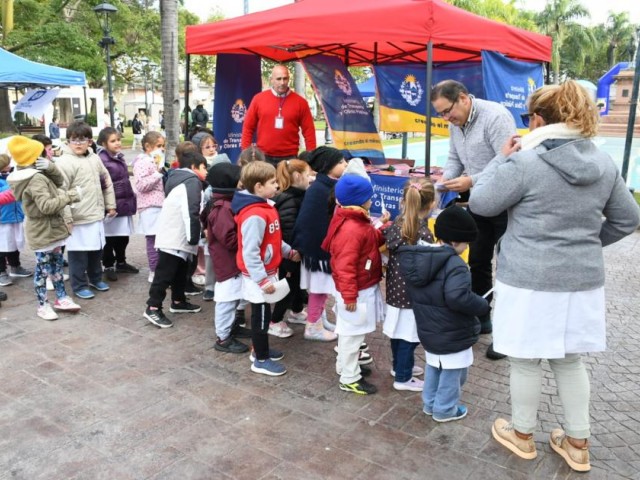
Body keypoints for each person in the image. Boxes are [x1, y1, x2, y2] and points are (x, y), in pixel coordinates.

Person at [469, 81, 640, 471]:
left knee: (526, 359)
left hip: (528, 277)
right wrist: (584, 244)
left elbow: (481, 202)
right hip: (581, 279)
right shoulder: (603, 162)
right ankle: (578, 442)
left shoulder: (526, 162)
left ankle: (523, 433)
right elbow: (629, 219)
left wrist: (500, 158)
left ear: (539, 119)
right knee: (568, 360)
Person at [431, 79, 516, 360]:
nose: (446, 119)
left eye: (447, 111)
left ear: (464, 98)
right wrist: (444, 180)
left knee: (508, 267)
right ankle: (483, 317)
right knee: (478, 260)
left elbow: (510, 161)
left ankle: (506, 334)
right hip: (479, 202)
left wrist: (472, 179)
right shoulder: (456, 124)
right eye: (441, 114)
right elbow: (454, 158)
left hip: (507, 202)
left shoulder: (496, 117)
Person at [398, 205, 488, 421]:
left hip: (429, 329)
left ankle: (430, 404)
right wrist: (482, 305)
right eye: (466, 243)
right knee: (453, 372)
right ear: (456, 242)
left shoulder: (423, 259)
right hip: (452, 330)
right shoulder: (455, 265)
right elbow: (458, 297)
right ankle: (445, 409)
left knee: (434, 367)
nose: (467, 247)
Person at [231, 161, 301, 376]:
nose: (277, 185)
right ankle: (260, 359)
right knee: (261, 318)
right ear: (258, 187)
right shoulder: (255, 215)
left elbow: (273, 238)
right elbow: (250, 252)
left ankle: (259, 350)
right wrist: (262, 280)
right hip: (257, 276)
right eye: (272, 182)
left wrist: (288, 251)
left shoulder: (266, 208)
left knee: (264, 313)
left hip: (266, 271)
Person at [321, 174, 386, 395]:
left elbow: (368, 240)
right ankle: (349, 377)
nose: (372, 200)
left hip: (357, 288)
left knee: (350, 333)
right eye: (369, 197)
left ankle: (346, 368)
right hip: (356, 291)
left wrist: (382, 230)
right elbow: (344, 266)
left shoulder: (353, 219)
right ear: (360, 200)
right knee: (352, 335)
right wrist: (350, 296)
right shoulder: (352, 228)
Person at [6, 136, 82, 320]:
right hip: (43, 231)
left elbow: (58, 182)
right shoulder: (36, 179)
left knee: (55, 266)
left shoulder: (36, 174)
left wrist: (51, 167)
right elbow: (47, 206)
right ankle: (43, 305)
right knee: (43, 270)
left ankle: (61, 298)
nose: (48, 154)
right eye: (43, 152)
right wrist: (72, 195)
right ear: (34, 157)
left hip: (51, 230)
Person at [143, 151, 207, 328]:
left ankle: (178, 301)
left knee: (180, 270)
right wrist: (195, 236)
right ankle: (153, 307)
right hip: (175, 235)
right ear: (194, 167)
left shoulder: (182, 179)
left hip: (177, 234)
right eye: (204, 167)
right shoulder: (191, 182)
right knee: (165, 273)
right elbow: (191, 211)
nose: (206, 171)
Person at [383, 177, 435, 392]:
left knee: (398, 332)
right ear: (431, 205)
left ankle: (399, 367)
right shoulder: (422, 233)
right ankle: (403, 377)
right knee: (409, 337)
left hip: (395, 291)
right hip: (413, 294)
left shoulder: (397, 225)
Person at [55, 121, 116, 300]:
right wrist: (67, 218)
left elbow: (106, 181)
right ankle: (79, 284)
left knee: (96, 249)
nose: (79, 143)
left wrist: (110, 204)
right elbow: (61, 192)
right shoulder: (64, 162)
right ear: (68, 141)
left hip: (95, 215)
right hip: (77, 218)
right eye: (74, 140)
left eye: (83, 139)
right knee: (78, 254)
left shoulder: (94, 158)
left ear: (90, 141)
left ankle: (95, 278)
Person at [292, 147, 348, 338]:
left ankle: (318, 319)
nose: (345, 165)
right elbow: (310, 222)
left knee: (322, 289)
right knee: (319, 289)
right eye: (341, 162)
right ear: (328, 166)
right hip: (319, 250)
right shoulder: (319, 190)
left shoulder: (328, 186)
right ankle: (313, 326)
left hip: (323, 248)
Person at [270, 159, 325, 338]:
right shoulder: (289, 199)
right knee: (287, 287)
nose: (311, 179)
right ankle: (275, 320)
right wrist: (294, 251)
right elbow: (287, 229)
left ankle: (296, 310)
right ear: (297, 176)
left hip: (297, 252)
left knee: (297, 285)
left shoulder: (297, 196)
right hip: (291, 254)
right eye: (309, 175)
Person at [206, 162, 251, 353]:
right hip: (227, 264)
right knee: (227, 300)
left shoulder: (226, 204)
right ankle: (223, 337)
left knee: (234, 298)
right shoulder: (222, 208)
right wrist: (248, 237)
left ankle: (231, 327)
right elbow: (229, 239)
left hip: (232, 262)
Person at [241, 65, 316, 166]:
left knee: (289, 183)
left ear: (289, 79)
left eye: (285, 78)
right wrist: (246, 154)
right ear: (271, 80)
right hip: (263, 156)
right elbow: (248, 128)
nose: (282, 82)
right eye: (278, 79)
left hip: (290, 157)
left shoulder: (300, 102)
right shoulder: (258, 99)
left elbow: (309, 131)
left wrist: (311, 157)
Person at [96, 127, 139, 282]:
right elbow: (103, 183)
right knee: (109, 238)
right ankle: (108, 265)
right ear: (104, 143)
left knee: (123, 236)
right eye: (113, 141)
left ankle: (121, 261)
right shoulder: (101, 159)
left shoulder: (118, 156)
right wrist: (108, 204)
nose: (117, 143)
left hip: (123, 201)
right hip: (112, 203)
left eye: (118, 140)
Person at [132, 131, 166, 283]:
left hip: (159, 204)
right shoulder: (142, 162)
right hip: (149, 206)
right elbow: (140, 185)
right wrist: (157, 174)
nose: (162, 149)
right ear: (148, 146)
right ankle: (154, 270)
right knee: (153, 240)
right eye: (159, 146)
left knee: (161, 239)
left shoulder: (156, 160)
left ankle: (161, 269)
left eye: (163, 146)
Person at [0, 154, 33, 287]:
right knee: (2, 247)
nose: (10, 165)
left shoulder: (12, 175)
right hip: (2, 220)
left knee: (15, 243)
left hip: (16, 216)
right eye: (7, 163)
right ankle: (1, 272)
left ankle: (15, 267)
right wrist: (14, 191)